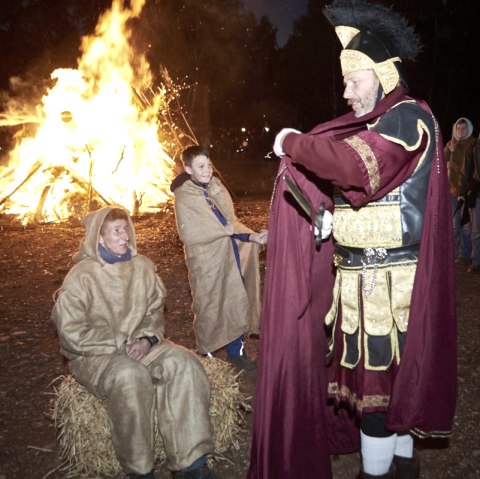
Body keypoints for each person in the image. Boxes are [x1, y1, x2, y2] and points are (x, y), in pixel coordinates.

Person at [249, 1, 457, 479]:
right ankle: (403, 469)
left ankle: (380, 473)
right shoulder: (385, 123)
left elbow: (356, 168)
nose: (346, 92)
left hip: (391, 288)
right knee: (387, 389)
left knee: (379, 393)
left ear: (382, 75)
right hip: (366, 284)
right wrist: (332, 224)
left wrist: (292, 142)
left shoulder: (407, 118)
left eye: (353, 80)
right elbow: (369, 199)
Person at [52, 206, 220, 479]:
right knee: (131, 377)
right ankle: (141, 470)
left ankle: (191, 462)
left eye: (126, 229)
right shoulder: (81, 277)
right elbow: (71, 332)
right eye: (116, 231)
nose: (125, 236)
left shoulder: (142, 267)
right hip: (96, 354)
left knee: (184, 364)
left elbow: (154, 312)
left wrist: (146, 339)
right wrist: (118, 342)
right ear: (100, 238)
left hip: (140, 345)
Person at [172, 146, 267, 370]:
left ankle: (236, 353)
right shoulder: (185, 196)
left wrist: (253, 237)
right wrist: (222, 231)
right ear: (188, 169)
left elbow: (229, 223)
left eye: (209, 165)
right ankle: (209, 357)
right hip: (206, 260)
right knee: (210, 304)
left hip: (229, 254)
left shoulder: (216, 187)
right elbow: (190, 232)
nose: (207, 170)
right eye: (201, 166)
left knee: (234, 299)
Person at [444, 117, 476, 264]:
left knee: (466, 225)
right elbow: (442, 162)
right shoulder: (451, 144)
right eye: (458, 128)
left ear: (468, 129)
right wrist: (449, 151)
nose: (461, 131)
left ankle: (466, 253)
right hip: (450, 190)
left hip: (464, 190)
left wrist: (463, 189)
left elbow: (467, 169)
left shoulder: (472, 144)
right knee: (454, 224)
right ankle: (455, 252)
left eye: (464, 128)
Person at [462, 132, 480, 273]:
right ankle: (476, 261)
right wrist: (464, 191)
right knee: (476, 229)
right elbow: (466, 171)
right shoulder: (472, 146)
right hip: (476, 191)